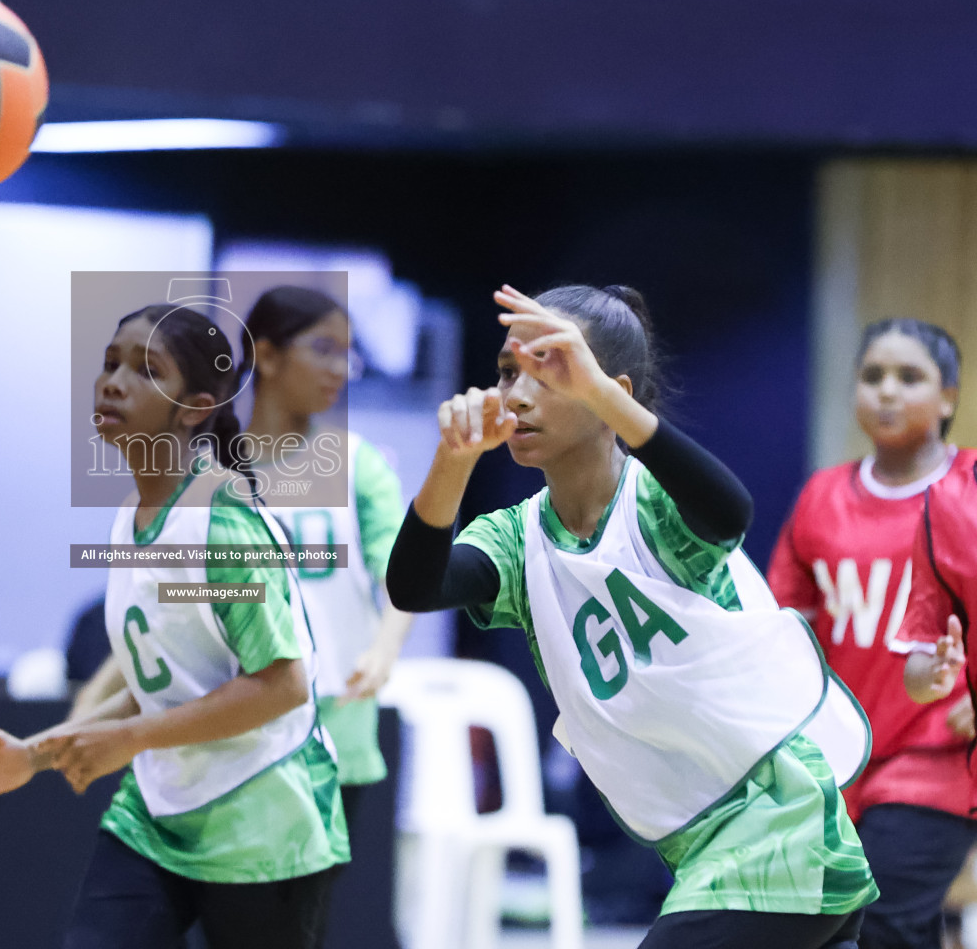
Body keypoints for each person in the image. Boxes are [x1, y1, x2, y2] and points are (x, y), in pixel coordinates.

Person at [386, 283, 877, 949]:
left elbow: (729, 510)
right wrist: (451, 462)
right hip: (704, 843)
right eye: (508, 373)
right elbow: (414, 585)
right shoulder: (515, 538)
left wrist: (605, 400)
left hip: (778, 817)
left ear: (604, 388)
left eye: (550, 369)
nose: (518, 394)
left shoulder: (655, 504)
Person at [0, 302, 349, 949]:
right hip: (159, 814)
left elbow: (281, 686)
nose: (112, 381)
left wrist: (130, 737)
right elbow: (165, 682)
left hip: (263, 821)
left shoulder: (224, 523)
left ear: (192, 407)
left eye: (143, 369)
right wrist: (37, 755)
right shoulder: (133, 518)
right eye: (110, 363)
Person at [770, 318, 973, 949]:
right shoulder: (822, 495)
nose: (887, 390)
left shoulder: (969, 493)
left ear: (948, 398)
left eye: (909, 377)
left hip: (940, 757)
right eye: (872, 376)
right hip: (836, 756)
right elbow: (785, 617)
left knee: (886, 920)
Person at [237, 284, 410, 823]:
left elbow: (405, 577)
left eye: (347, 354)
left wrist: (384, 650)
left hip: (337, 721)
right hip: (231, 725)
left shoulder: (359, 464)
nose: (340, 368)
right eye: (323, 349)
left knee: (306, 903)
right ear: (265, 354)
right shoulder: (208, 474)